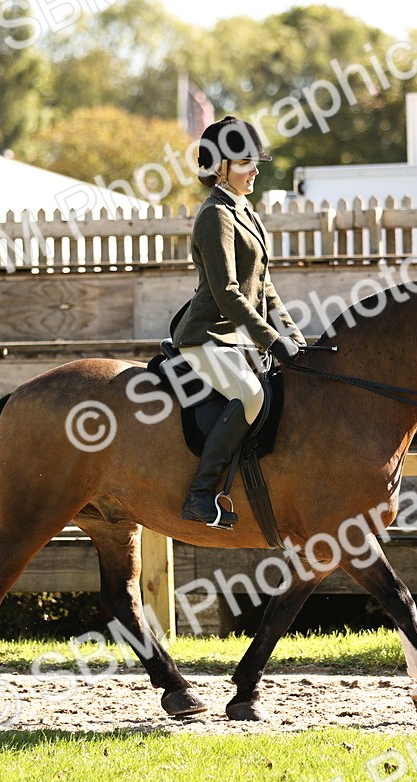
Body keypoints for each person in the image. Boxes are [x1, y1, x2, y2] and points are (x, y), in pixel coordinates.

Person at [170, 115, 307, 529]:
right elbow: (228, 292)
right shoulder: (215, 215)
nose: (255, 170)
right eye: (245, 162)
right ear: (219, 167)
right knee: (251, 395)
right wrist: (270, 339)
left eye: (255, 162)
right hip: (206, 337)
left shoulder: (246, 211)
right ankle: (201, 494)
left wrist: (296, 339)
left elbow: (265, 287)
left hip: (237, 339)